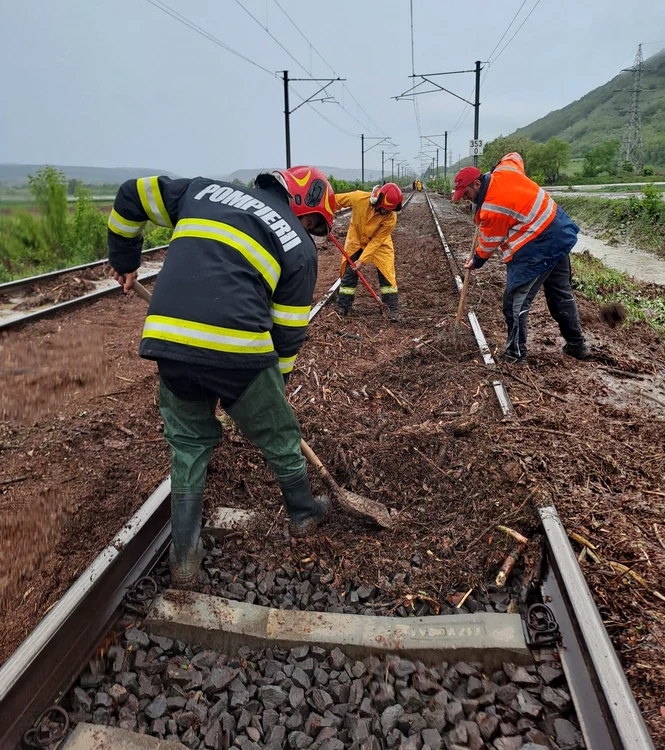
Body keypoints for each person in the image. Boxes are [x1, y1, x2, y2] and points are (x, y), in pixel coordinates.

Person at [108, 166, 336, 587]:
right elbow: (286, 336)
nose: (311, 231)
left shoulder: (200, 190)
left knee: (188, 443)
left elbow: (131, 195)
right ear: (305, 208)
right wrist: (271, 399)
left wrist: (124, 260)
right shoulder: (298, 246)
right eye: (315, 224)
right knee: (280, 435)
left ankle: (184, 558)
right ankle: (304, 513)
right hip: (237, 350)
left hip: (169, 341)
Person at [452, 153, 589, 364]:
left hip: (538, 246)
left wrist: (476, 261)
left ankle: (515, 355)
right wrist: (497, 165)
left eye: (466, 192)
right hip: (559, 233)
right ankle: (577, 345)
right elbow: (514, 156)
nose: (465, 197)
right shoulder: (505, 169)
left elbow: (489, 242)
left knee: (514, 302)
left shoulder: (491, 208)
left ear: (478, 184)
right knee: (560, 294)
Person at [334, 182, 403, 322]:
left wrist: (362, 260)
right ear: (377, 201)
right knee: (349, 272)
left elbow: (377, 241)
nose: (386, 213)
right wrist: (324, 216)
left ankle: (392, 309)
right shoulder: (359, 198)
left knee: (387, 273)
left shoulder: (391, 218)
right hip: (357, 238)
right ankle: (343, 306)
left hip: (380, 244)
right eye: (385, 209)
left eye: (390, 210)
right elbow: (335, 201)